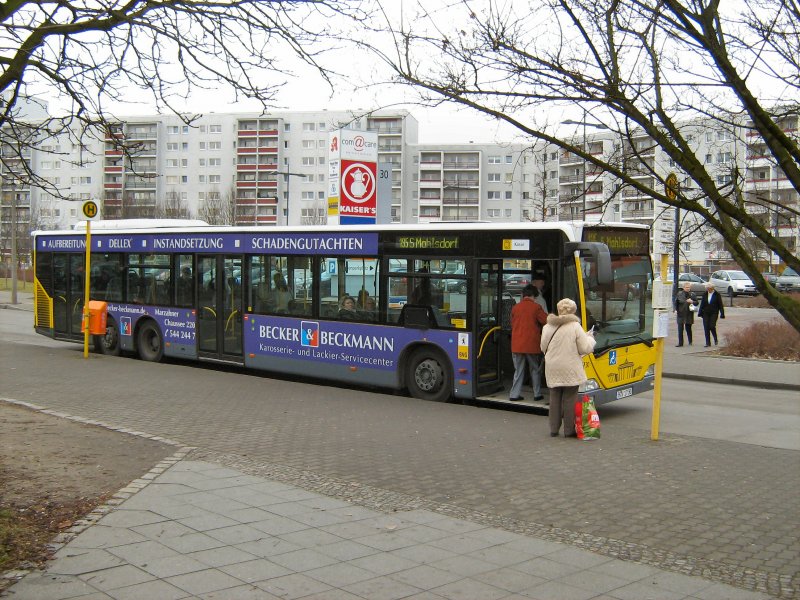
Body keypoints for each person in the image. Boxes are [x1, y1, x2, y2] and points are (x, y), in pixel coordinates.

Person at [540, 298, 596, 438]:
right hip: (570, 367)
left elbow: (542, 347)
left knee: (554, 398)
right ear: (573, 311)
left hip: (552, 367)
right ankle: (569, 430)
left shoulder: (547, 327)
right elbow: (585, 348)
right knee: (570, 399)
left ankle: (553, 429)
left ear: (559, 310)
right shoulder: (575, 326)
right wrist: (589, 337)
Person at [509, 284, 549, 402]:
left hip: (516, 345)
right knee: (535, 369)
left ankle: (514, 395)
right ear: (534, 296)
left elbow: (512, 323)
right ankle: (537, 394)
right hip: (532, 344)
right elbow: (546, 321)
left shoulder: (515, 307)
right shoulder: (536, 307)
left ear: (523, 295)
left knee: (518, 370)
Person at [698, 281, 725, 346]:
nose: (708, 290)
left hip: (714, 312)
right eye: (707, 289)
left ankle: (715, 338)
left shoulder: (717, 294)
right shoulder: (705, 294)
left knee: (712, 326)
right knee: (706, 327)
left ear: (712, 288)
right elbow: (702, 304)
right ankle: (708, 342)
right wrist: (700, 312)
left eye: (709, 289)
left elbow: (720, 304)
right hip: (705, 313)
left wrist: (722, 313)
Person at [674, 281, 697, 347]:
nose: (688, 288)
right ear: (683, 288)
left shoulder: (692, 294)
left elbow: (696, 302)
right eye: (686, 287)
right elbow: (676, 302)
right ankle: (680, 343)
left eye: (689, 287)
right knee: (680, 329)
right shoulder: (679, 294)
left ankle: (690, 341)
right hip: (681, 313)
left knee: (688, 328)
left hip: (689, 313)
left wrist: (692, 301)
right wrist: (675, 309)